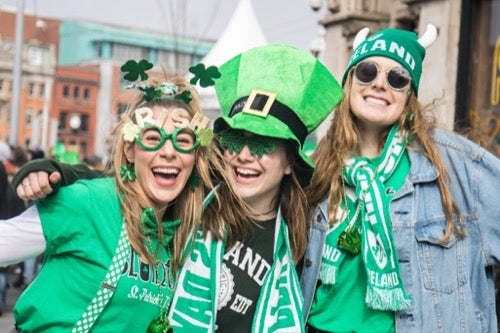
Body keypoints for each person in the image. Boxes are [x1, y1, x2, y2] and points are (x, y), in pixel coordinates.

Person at [13, 45, 344, 332]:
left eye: (264, 145)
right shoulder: (197, 203)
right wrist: (56, 171)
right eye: (235, 139)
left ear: (291, 161)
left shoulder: (303, 232)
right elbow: (125, 181)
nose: (245, 156)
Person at [300, 24, 500, 332]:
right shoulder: (318, 168)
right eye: (367, 72)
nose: (380, 84)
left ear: (410, 96)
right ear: (350, 82)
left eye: (397, 78)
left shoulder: (453, 165)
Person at [0, 63, 229, 332]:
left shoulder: (180, 233)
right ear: (131, 151)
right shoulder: (89, 203)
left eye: (184, 140)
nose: (169, 152)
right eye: (153, 138)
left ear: (195, 157)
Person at [0, 159, 26, 317]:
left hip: (6, 234)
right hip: (9, 235)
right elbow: (19, 212)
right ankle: (1, 302)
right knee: (2, 275)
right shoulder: (11, 191)